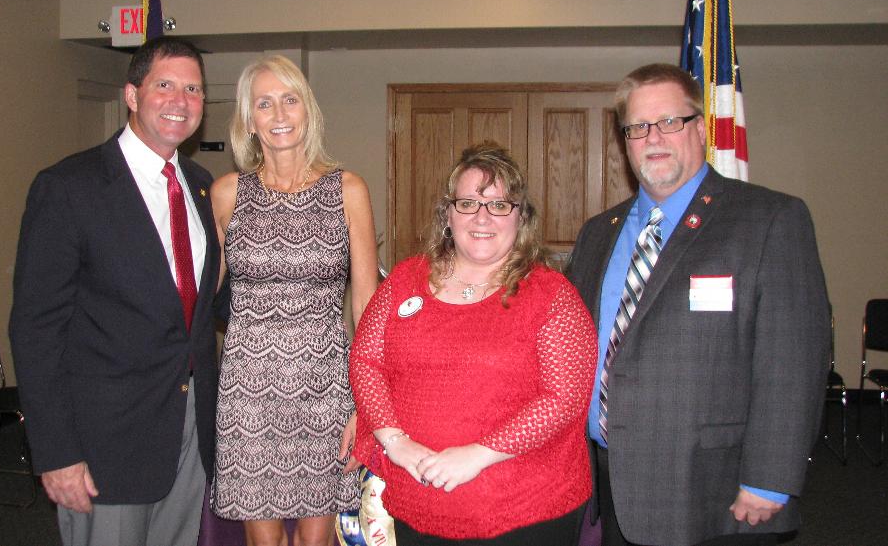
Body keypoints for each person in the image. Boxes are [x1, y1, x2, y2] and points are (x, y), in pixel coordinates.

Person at [566, 63, 829, 546]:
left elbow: (794, 359)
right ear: (625, 140)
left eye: (670, 121)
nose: (654, 138)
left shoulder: (768, 219)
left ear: (701, 129)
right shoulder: (597, 233)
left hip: (716, 492)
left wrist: (770, 476)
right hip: (610, 482)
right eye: (638, 127)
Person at [10, 37, 220, 546]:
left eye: (193, 89)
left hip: (190, 429)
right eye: (165, 85)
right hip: (105, 442)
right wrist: (56, 451)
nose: (181, 100)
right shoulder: (68, 187)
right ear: (131, 94)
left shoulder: (199, 183)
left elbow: (204, 305)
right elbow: (36, 330)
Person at [349, 142, 597, 545]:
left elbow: (564, 398)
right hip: (420, 497)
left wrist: (479, 454)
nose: (482, 217)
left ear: (521, 217)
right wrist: (395, 441)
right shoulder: (405, 280)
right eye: (467, 203)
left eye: (500, 205)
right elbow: (366, 361)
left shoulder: (552, 294)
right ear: (447, 214)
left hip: (525, 511)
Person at [207, 54, 379, 546]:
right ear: (249, 119)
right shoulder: (226, 194)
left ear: (308, 111)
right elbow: (198, 298)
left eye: (290, 100)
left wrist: (364, 404)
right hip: (249, 395)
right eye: (264, 103)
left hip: (326, 390)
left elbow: (366, 305)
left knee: (316, 541)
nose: (279, 114)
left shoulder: (348, 190)